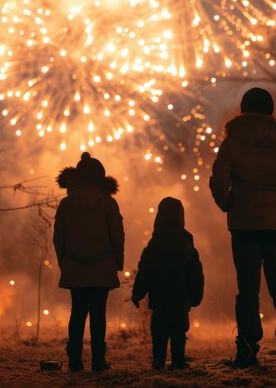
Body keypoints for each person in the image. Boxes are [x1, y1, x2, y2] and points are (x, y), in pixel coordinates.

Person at [209, 87, 276, 368]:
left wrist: (231, 204)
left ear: (243, 109)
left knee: (248, 290)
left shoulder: (232, 142)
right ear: (270, 110)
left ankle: (248, 349)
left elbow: (218, 181)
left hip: (244, 228)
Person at [53, 151, 124, 373]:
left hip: (75, 265)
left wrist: (64, 263)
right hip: (102, 265)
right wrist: (117, 263)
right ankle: (98, 361)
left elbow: (58, 238)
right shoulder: (108, 203)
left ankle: (74, 360)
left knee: (77, 312)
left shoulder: (66, 204)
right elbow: (117, 236)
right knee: (98, 313)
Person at [131, 197, 204, 370]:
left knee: (159, 334)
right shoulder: (188, 249)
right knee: (179, 334)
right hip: (180, 303)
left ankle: (158, 361)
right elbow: (195, 277)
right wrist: (195, 297)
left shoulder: (152, 248)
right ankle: (178, 361)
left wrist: (137, 293)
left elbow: (144, 274)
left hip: (159, 303)